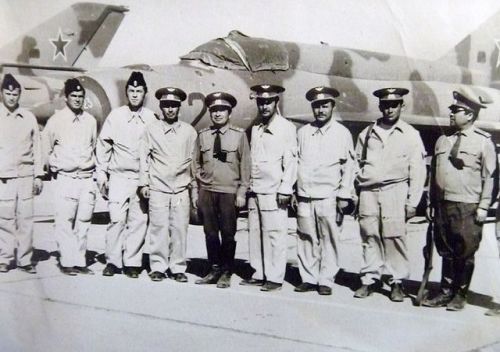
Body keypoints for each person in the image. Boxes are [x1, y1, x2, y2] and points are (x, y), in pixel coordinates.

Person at [423, 89, 497, 311]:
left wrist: (484, 206)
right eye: (452, 110)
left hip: (467, 205)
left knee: (464, 251)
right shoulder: (442, 140)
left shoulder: (483, 142)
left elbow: (490, 177)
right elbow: (433, 173)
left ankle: (460, 294)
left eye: (456, 111)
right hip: (443, 204)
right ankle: (445, 292)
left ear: (470, 115)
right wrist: (430, 203)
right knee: (444, 248)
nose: (451, 114)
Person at [354, 87, 426, 301]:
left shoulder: (411, 135)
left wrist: (413, 201)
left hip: (396, 191)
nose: (389, 109)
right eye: (385, 105)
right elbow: (356, 163)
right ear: (380, 106)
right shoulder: (367, 133)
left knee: (394, 237)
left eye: (394, 104)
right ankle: (369, 279)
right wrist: (356, 192)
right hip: (369, 192)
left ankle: (396, 282)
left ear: (402, 106)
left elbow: (418, 170)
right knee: (369, 236)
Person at [294, 86, 356, 296]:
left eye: (325, 105)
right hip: (305, 195)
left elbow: (349, 167)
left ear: (332, 106)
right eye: (317, 106)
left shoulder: (342, 133)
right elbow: (295, 163)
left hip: (329, 196)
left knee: (330, 239)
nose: (320, 110)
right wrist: (295, 190)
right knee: (305, 237)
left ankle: (326, 279)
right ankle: (309, 278)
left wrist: (344, 195)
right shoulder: (303, 133)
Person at [96, 72, 156, 278]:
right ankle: (113, 261)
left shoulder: (151, 118)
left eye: (139, 91)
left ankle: (132, 262)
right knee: (116, 220)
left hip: (140, 180)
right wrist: (102, 175)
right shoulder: (116, 116)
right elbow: (103, 146)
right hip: (119, 177)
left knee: (139, 221)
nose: (135, 95)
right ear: (126, 93)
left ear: (145, 94)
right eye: (131, 91)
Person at [241, 84, 297, 292]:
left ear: (276, 102)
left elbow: (291, 161)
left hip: (274, 191)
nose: (264, 106)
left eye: (268, 102)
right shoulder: (256, 128)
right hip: (255, 190)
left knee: (275, 234)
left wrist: (286, 188)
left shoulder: (286, 128)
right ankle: (259, 272)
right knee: (255, 233)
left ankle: (275, 276)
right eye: (261, 102)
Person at [139, 87, 197, 283]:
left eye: (174, 105)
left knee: (180, 229)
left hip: (181, 188)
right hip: (158, 187)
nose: (170, 109)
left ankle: (178, 266)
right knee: (158, 228)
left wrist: (194, 187)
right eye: (166, 106)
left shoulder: (189, 132)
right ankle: (158, 266)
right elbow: (143, 158)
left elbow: (194, 161)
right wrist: (143, 183)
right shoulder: (151, 130)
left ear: (179, 107)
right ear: (161, 108)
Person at [193, 92, 250, 288]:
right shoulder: (203, 135)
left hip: (229, 192)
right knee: (210, 233)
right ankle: (214, 268)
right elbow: (195, 163)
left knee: (228, 234)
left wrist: (242, 191)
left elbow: (245, 166)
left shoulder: (239, 135)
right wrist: (199, 187)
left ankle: (227, 270)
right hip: (207, 191)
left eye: (222, 110)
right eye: (214, 110)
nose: (218, 114)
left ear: (229, 113)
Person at [43, 78, 97, 276]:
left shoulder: (90, 121)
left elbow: (94, 146)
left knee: (83, 221)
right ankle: (67, 261)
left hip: (86, 177)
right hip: (65, 178)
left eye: (80, 96)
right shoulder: (56, 121)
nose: (77, 99)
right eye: (73, 96)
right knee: (64, 220)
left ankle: (79, 260)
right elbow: (45, 147)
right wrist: (49, 169)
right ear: (66, 98)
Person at [0, 73, 44, 274]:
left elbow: (37, 147)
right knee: (5, 219)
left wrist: (39, 175)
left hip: (26, 176)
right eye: (8, 93)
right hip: (4, 177)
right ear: (2, 93)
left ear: (20, 95)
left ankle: (25, 259)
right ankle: (5, 258)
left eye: (15, 93)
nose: (11, 97)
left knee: (26, 219)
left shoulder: (28, 118)